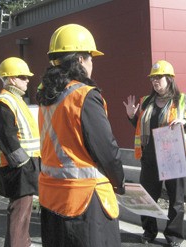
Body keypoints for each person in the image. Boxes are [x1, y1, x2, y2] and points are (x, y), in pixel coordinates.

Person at [36, 23, 125, 247]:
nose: (92, 63)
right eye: (90, 57)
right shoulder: (84, 96)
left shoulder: (47, 98)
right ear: (79, 60)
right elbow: (107, 150)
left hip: (52, 198)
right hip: (85, 203)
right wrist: (120, 182)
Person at [123, 60, 186, 247]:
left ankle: (173, 237)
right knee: (148, 198)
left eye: (158, 78)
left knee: (176, 200)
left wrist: (185, 123)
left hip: (174, 157)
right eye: (152, 78)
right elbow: (141, 129)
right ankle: (148, 232)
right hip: (150, 158)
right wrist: (131, 116)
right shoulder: (146, 102)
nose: (155, 81)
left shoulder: (184, 100)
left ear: (170, 78)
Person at [0, 57, 41, 247]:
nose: (27, 80)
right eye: (23, 77)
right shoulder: (5, 101)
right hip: (19, 168)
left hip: (23, 167)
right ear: (11, 79)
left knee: (23, 211)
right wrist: (25, 164)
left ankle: (22, 243)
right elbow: (6, 137)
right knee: (19, 213)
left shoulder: (15, 99)